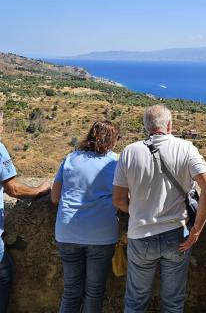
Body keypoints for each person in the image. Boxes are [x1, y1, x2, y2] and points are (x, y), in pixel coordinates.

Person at [112, 104, 206, 313]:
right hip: (176, 235)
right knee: (173, 303)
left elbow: (119, 200)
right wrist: (196, 230)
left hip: (140, 236)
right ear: (169, 125)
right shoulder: (186, 148)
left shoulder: (129, 152)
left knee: (135, 303)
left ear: (145, 126)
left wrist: (139, 213)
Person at [0, 106, 50, 313]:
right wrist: (39, 190)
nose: (3, 128)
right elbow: (13, 189)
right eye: (2, 125)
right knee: (1, 276)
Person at [51, 120, 120, 313]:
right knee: (94, 291)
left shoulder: (71, 158)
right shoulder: (116, 162)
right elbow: (123, 198)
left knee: (71, 291)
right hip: (101, 234)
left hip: (67, 233)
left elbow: (55, 197)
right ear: (113, 140)